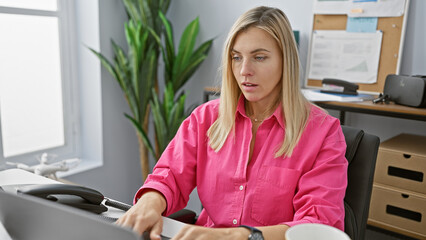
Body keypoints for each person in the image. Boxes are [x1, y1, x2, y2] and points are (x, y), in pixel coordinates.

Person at [117, 6, 347, 240]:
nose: (244, 70)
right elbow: (170, 174)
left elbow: (318, 225)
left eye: (259, 57)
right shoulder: (205, 119)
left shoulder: (324, 133)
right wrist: (151, 200)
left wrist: (240, 236)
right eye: (236, 57)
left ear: (285, 61)